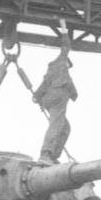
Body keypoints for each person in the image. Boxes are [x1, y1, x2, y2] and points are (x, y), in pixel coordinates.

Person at [34, 19, 77, 163]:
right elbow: (66, 47)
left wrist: (38, 97)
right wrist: (64, 28)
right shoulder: (60, 62)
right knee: (57, 125)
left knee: (65, 127)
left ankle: (53, 156)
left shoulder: (52, 71)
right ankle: (46, 154)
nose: (68, 68)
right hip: (58, 96)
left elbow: (44, 83)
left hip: (50, 98)